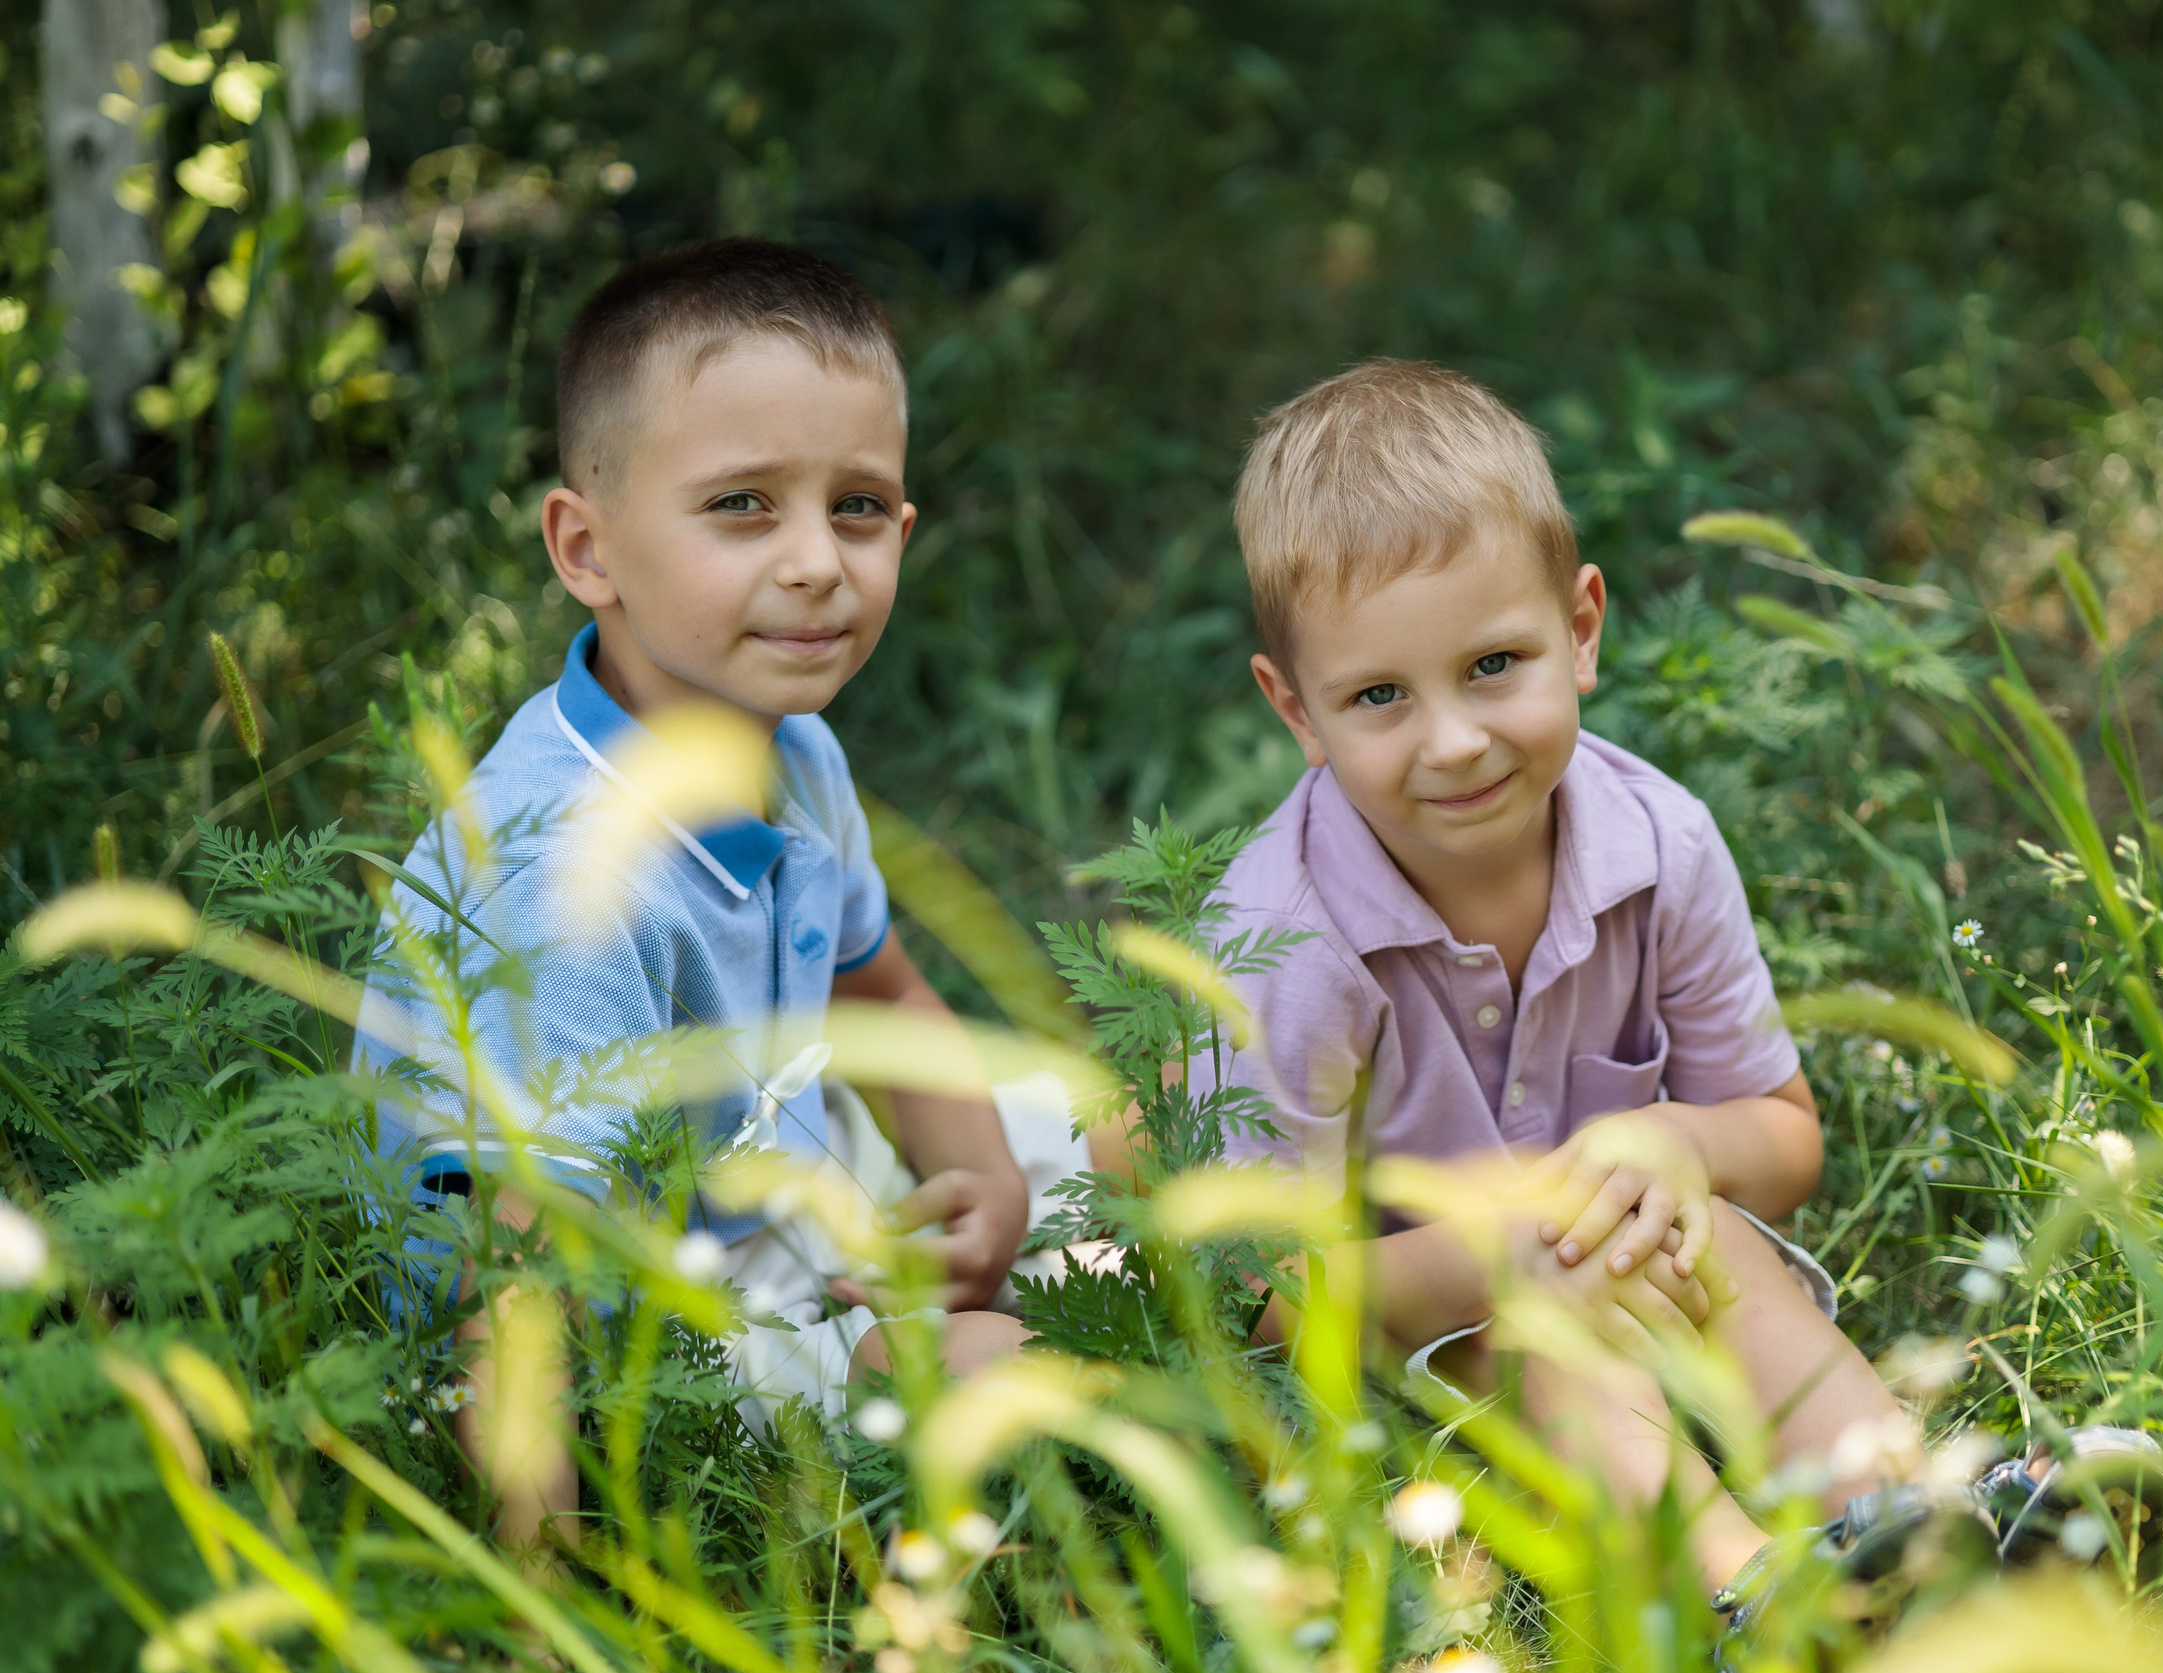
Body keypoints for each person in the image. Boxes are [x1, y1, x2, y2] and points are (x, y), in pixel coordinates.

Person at [1167, 357, 1925, 1590]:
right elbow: (1257, 1296)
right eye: (1377, 697)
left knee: (1717, 1242)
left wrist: (1684, 1144)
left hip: (1643, 1257)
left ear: (1579, 630)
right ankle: (1749, 1595)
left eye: (1490, 667)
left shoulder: (1657, 844)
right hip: (1419, 1334)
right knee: (1553, 1340)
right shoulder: (1287, 940)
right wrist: (1506, 1248)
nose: (1453, 742)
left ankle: (1908, 1513)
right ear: (1296, 711)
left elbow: (1784, 1141)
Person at [354, 239, 1032, 1552]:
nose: (816, 562)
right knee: (1026, 1372)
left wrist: (984, 1176)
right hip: (622, 1361)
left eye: (856, 505)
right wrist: (540, 1610)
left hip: (762, 1204)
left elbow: (877, 987)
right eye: (741, 506)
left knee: (1111, 1139)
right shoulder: (564, 886)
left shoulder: (793, 749)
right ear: (587, 548)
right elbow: (517, 1291)